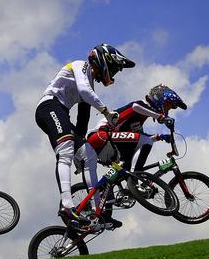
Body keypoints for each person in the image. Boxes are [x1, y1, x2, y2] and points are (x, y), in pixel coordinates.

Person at [35, 44, 135, 224]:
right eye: (112, 68)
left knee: (88, 154)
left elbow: (83, 120)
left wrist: (79, 148)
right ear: (103, 61)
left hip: (60, 113)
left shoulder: (89, 86)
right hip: (49, 107)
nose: (112, 74)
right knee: (64, 153)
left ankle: (98, 211)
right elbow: (83, 91)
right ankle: (67, 206)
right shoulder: (81, 66)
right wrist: (105, 111)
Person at [78, 84, 186, 227]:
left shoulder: (139, 122)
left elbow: (139, 137)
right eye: (168, 106)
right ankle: (134, 181)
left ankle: (105, 211)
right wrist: (160, 117)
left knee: (126, 164)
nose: (168, 110)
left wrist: (159, 136)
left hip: (110, 144)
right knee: (144, 143)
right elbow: (135, 106)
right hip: (100, 135)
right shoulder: (141, 106)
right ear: (159, 99)